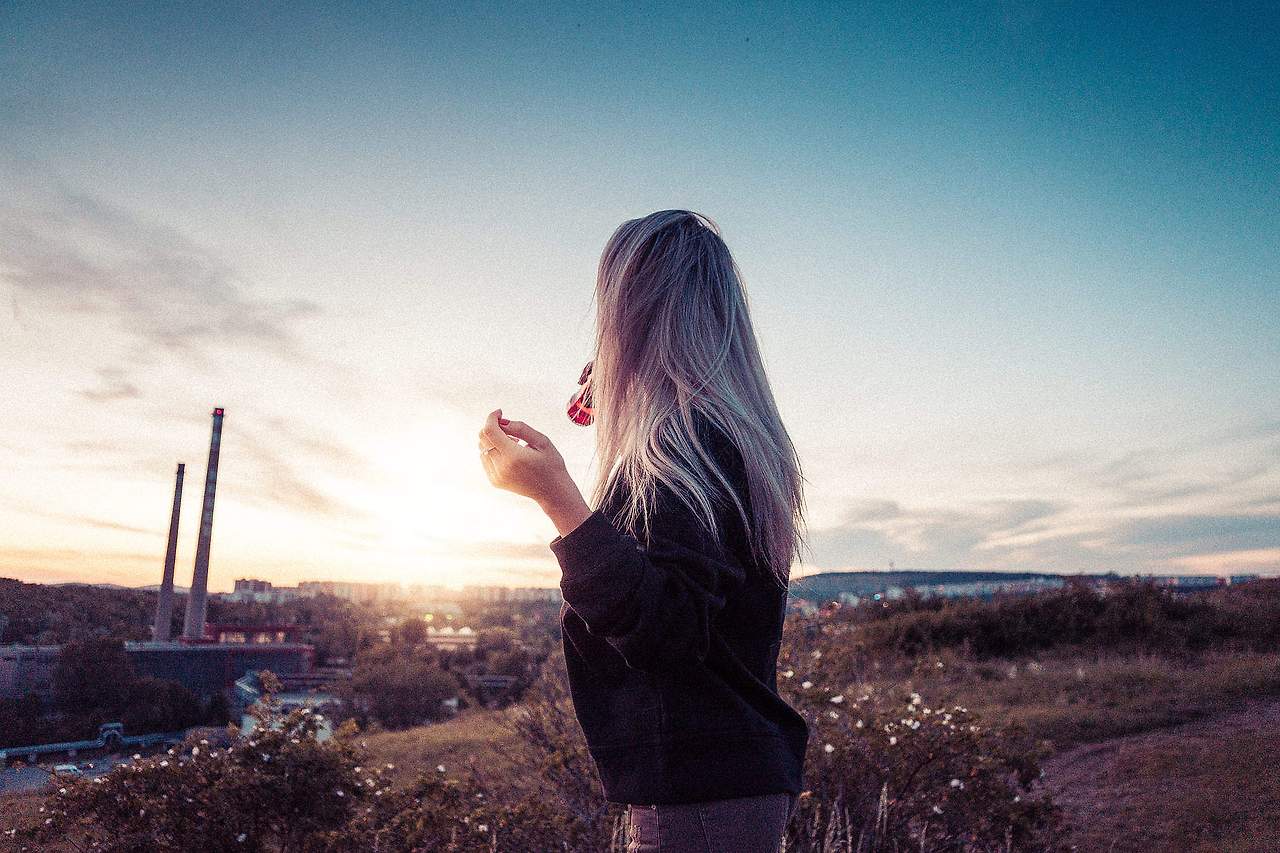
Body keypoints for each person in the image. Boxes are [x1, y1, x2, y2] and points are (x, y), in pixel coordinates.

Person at [478, 209, 810, 852]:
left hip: (702, 797)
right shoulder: (714, 436)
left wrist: (560, 501)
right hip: (711, 787)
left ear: (624, 311)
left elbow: (667, 629)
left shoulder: (686, 443)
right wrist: (628, 396)